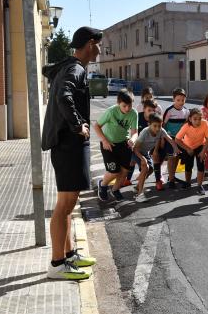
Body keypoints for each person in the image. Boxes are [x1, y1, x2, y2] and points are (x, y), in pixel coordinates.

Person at [42, 26, 101, 280]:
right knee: (64, 205)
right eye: (98, 44)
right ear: (90, 44)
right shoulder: (75, 69)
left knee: (69, 204)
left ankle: (67, 255)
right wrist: (78, 125)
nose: (100, 49)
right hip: (68, 144)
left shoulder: (73, 67)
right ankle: (57, 264)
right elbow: (63, 98)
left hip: (69, 145)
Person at [94, 90, 138, 202]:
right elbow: (96, 126)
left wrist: (132, 140)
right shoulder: (111, 111)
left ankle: (115, 190)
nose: (127, 109)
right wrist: (104, 140)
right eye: (124, 106)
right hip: (109, 144)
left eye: (130, 105)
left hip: (124, 144)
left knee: (124, 171)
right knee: (114, 171)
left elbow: (135, 132)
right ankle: (103, 185)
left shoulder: (134, 113)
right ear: (118, 103)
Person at [132, 114, 178, 202]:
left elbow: (170, 139)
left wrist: (175, 148)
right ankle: (139, 195)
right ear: (149, 124)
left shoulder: (161, 131)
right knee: (146, 168)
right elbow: (135, 148)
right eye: (155, 126)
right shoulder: (145, 132)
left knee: (150, 170)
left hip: (145, 153)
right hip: (136, 152)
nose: (157, 128)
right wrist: (142, 159)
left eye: (159, 126)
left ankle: (137, 187)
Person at [174, 108, 208, 195]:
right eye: (195, 119)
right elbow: (177, 139)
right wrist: (187, 149)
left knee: (200, 165)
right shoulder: (186, 126)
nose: (197, 121)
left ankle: (199, 186)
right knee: (188, 166)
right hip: (188, 146)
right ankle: (188, 183)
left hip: (200, 145)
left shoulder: (205, 123)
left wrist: (203, 151)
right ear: (190, 118)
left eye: (199, 118)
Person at [125, 100, 159, 187]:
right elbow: (129, 130)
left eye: (153, 110)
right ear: (144, 109)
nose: (151, 112)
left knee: (148, 168)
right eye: (149, 110)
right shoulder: (138, 117)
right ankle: (129, 181)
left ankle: (139, 182)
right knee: (134, 163)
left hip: (145, 147)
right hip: (135, 146)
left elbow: (159, 134)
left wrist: (155, 150)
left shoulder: (154, 120)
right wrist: (130, 140)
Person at [161, 88, 189, 188]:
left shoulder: (186, 111)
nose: (181, 102)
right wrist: (163, 139)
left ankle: (171, 176)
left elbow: (186, 126)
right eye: (178, 100)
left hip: (180, 139)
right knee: (171, 158)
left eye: (183, 100)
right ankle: (172, 179)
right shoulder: (169, 110)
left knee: (177, 157)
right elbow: (162, 125)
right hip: (170, 138)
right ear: (173, 99)